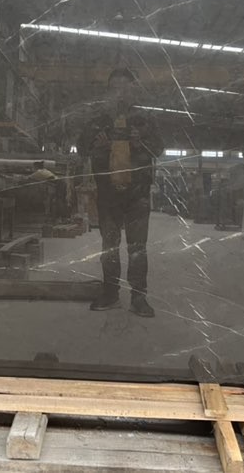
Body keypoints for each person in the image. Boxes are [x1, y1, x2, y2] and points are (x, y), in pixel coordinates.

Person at [77, 68, 164, 317]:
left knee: (137, 247)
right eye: (115, 88)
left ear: (133, 90)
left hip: (137, 194)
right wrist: (101, 145)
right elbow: (82, 148)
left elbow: (159, 149)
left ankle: (139, 298)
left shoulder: (145, 120)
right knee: (109, 247)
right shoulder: (98, 120)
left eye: (125, 87)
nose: (120, 92)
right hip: (108, 194)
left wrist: (139, 142)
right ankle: (111, 294)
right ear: (109, 91)